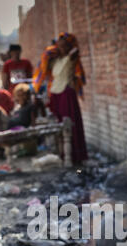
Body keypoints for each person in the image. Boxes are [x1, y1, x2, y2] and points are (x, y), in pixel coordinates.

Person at [33, 32, 88, 165]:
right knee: (57, 126)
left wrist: (65, 46)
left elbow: (75, 49)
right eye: (59, 45)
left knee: (69, 125)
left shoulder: (72, 57)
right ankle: (62, 154)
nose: (61, 48)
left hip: (66, 93)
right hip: (55, 95)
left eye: (64, 45)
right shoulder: (54, 60)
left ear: (69, 46)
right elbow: (44, 60)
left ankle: (74, 157)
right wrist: (55, 48)